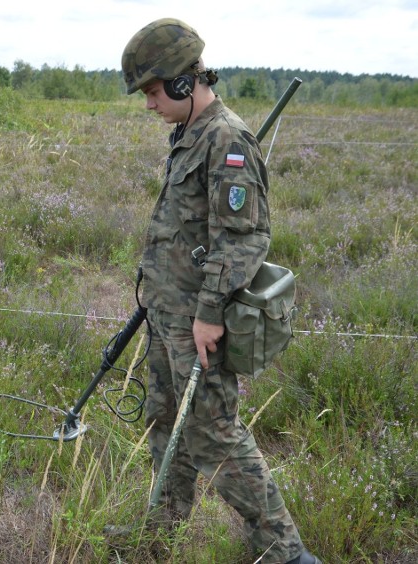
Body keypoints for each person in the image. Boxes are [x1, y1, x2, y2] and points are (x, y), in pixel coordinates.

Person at [114, 18, 321, 564]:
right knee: (166, 425)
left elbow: (244, 237)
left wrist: (208, 313)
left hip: (197, 324)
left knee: (215, 437)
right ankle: (158, 536)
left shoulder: (227, 138)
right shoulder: (188, 134)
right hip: (168, 317)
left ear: (185, 82)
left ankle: (287, 553)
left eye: (155, 92)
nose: (150, 104)